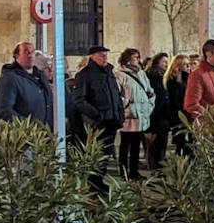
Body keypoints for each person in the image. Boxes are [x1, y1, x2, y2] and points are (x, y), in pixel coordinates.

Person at [72, 45, 125, 181]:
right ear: (93, 57)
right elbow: (79, 100)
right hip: (96, 124)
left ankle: (99, 182)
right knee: (96, 155)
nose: (105, 57)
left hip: (111, 122)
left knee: (106, 155)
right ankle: (93, 185)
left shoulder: (109, 73)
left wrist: (119, 114)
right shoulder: (84, 75)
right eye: (101, 55)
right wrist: (96, 114)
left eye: (105, 54)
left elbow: (116, 96)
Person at [115, 48, 155, 179]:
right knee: (125, 144)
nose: (138, 59)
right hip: (129, 116)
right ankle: (123, 170)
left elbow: (149, 91)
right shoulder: (119, 75)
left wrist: (149, 106)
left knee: (136, 145)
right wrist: (127, 106)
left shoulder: (141, 74)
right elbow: (117, 95)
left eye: (138, 57)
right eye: (135, 57)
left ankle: (133, 171)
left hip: (141, 116)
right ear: (127, 59)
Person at [0, 41, 53, 127]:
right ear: (16, 56)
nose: (30, 55)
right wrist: (28, 126)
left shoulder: (40, 76)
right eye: (26, 52)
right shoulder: (10, 78)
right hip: (28, 134)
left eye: (32, 52)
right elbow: (4, 110)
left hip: (45, 132)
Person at [144, 53, 172, 170]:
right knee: (154, 147)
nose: (166, 64)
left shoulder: (165, 77)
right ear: (157, 62)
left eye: (167, 62)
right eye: (164, 62)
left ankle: (160, 167)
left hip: (163, 117)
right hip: (154, 116)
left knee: (161, 145)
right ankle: (154, 169)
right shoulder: (150, 77)